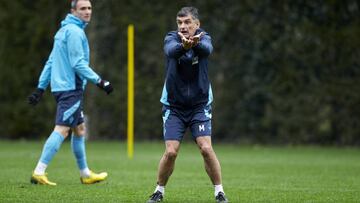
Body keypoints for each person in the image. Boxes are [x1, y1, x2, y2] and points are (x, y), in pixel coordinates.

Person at [147, 6, 228, 203]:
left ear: (197, 24)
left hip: (199, 105)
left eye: (187, 23)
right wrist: (184, 46)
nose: (182, 27)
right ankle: (159, 191)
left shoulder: (204, 37)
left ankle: (219, 192)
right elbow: (170, 51)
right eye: (180, 23)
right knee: (171, 151)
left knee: (206, 148)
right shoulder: (171, 38)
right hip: (174, 107)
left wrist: (195, 44)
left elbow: (207, 50)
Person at [27, 0, 113, 186]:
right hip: (70, 90)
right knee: (62, 129)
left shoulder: (62, 32)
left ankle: (85, 174)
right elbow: (77, 63)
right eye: (83, 8)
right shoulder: (74, 32)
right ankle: (39, 171)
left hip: (62, 88)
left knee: (80, 130)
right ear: (73, 11)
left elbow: (50, 62)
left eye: (89, 8)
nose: (87, 11)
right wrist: (100, 81)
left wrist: (40, 88)